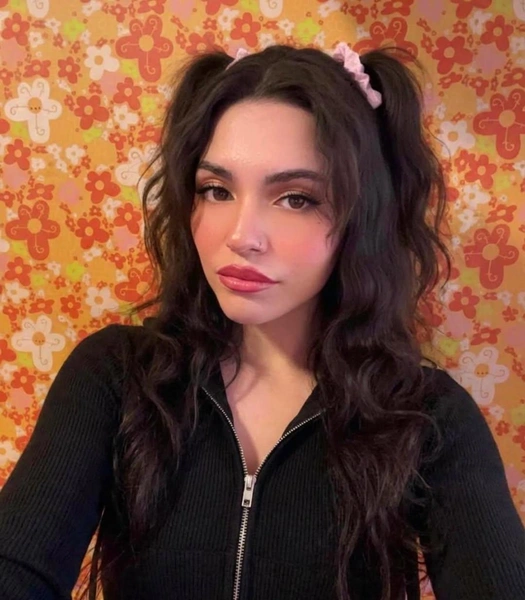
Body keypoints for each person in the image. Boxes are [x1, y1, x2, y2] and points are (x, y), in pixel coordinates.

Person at [0, 42, 523, 600]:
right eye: (216, 190)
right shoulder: (117, 377)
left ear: (362, 218)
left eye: (296, 198)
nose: (241, 235)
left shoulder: (426, 417)